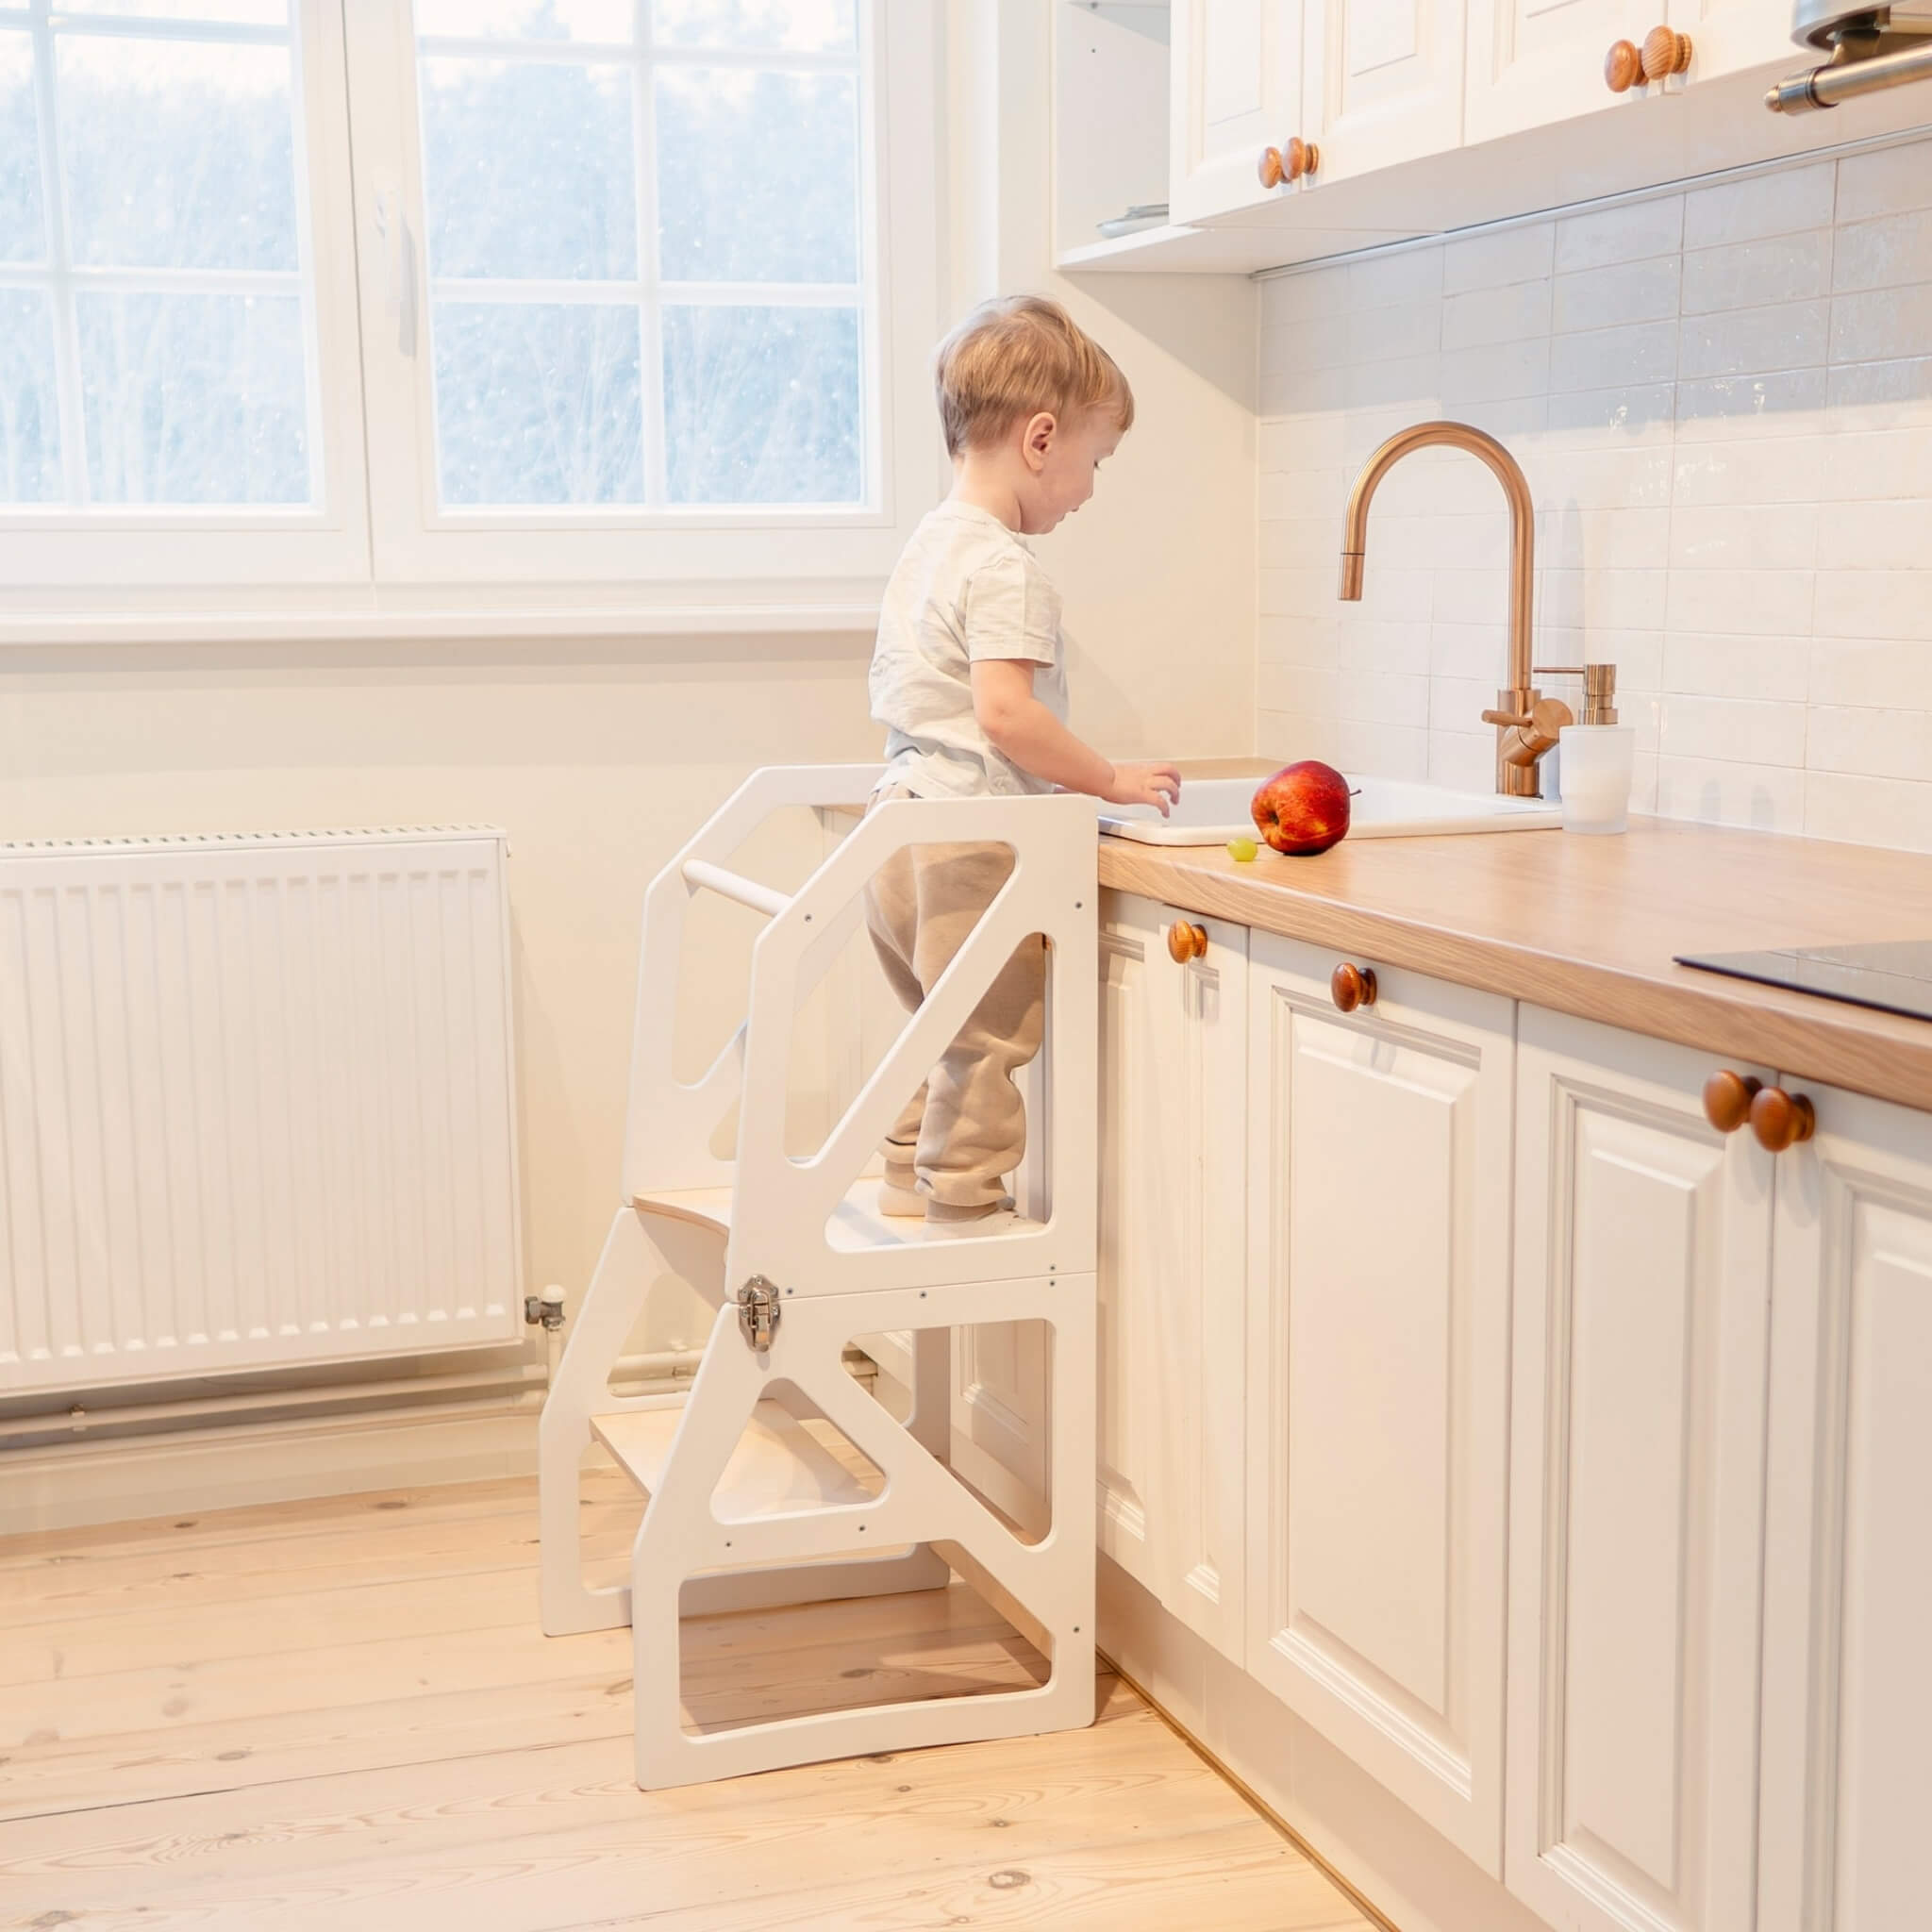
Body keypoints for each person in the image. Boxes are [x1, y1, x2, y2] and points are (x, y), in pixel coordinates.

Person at [863, 294, 1181, 1232]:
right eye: (1094, 460)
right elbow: (1006, 714)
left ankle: (900, 1174)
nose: (1088, 488)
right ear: (1040, 439)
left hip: (896, 828)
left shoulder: (925, 545)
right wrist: (1108, 778)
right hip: (967, 840)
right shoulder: (1006, 567)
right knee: (988, 1038)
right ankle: (965, 1201)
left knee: (937, 1027)